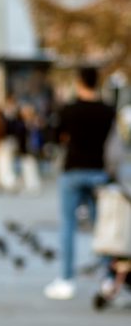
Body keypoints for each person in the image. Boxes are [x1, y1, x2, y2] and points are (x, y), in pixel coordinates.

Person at [44, 67, 116, 300]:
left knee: (68, 226)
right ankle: (108, 278)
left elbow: (57, 138)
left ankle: (66, 279)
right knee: (103, 228)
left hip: (73, 170)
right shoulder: (107, 111)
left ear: (79, 83)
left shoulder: (69, 110)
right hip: (98, 171)